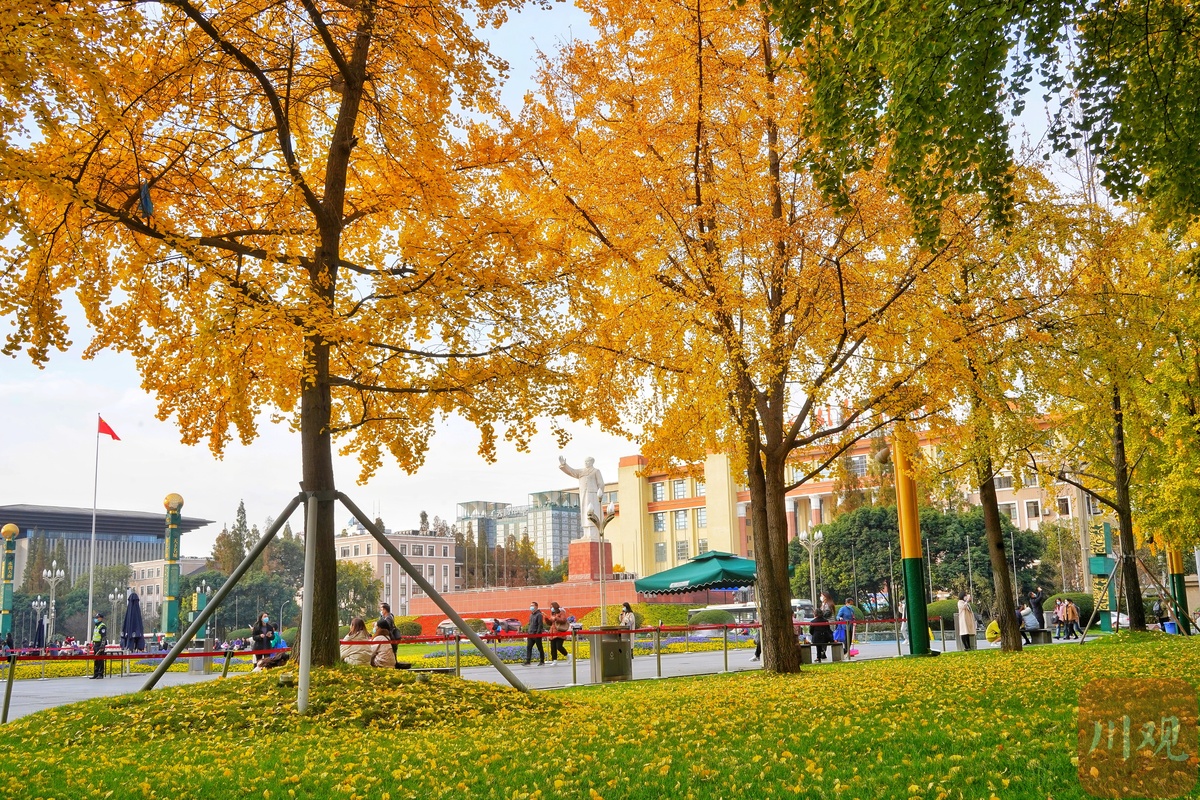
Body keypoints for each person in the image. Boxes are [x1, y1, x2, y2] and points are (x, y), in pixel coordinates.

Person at [558, 456, 606, 540]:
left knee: (593, 512)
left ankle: (593, 534)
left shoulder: (596, 471)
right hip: (584, 494)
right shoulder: (581, 472)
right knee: (585, 514)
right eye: (585, 461)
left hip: (593, 495)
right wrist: (564, 465)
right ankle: (586, 533)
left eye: (588, 461)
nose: (586, 463)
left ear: (592, 462)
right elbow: (571, 471)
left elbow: (601, 483)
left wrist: (600, 494)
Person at [89, 612, 106, 679]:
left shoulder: (102, 626)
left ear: (101, 618)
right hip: (96, 644)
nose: (96, 619)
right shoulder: (96, 626)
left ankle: (100, 674)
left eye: (97, 618)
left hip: (100, 645)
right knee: (96, 659)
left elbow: (103, 637)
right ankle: (95, 673)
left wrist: (102, 646)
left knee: (100, 660)